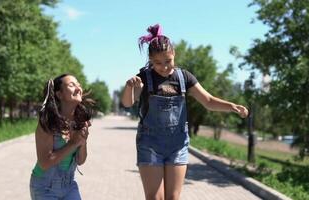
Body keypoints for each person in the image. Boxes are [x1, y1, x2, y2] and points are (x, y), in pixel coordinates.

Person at [121, 24, 248, 200]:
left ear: (174, 55)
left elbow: (209, 101)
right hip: (150, 144)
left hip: (177, 144)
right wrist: (129, 87)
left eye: (168, 61)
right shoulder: (144, 77)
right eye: (157, 63)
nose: (164, 67)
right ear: (150, 60)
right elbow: (127, 103)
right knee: (154, 198)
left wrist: (231, 106)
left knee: (173, 197)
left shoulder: (184, 77)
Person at [30, 74, 94, 200]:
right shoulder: (48, 123)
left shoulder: (79, 122)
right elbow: (44, 163)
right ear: (59, 94)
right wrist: (73, 143)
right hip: (44, 187)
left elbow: (81, 160)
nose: (78, 88)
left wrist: (82, 140)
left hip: (69, 186)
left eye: (79, 85)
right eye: (72, 85)